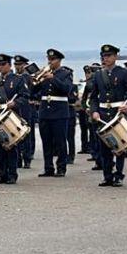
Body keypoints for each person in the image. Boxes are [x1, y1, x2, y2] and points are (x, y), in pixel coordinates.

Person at [87, 44, 127, 187]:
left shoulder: (123, 73)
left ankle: (118, 175)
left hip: (117, 113)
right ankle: (107, 176)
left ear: (115, 57)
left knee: (119, 146)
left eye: (108, 56)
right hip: (102, 115)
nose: (105, 59)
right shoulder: (98, 75)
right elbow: (94, 97)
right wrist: (94, 110)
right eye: (103, 56)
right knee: (104, 147)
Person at [33, 48, 73, 177]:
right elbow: (33, 91)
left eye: (53, 59)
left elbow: (66, 89)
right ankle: (48, 167)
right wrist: (36, 79)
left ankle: (61, 167)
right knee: (46, 141)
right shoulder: (44, 74)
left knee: (60, 141)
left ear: (59, 60)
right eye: (49, 59)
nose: (50, 62)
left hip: (60, 112)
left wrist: (53, 78)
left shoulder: (66, 73)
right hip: (45, 112)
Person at [0, 54, 27, 185]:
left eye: (3, 64)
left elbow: (24, 97)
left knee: (11, 146)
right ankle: (2, 174)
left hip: (11, 116)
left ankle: (12, 174)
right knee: (0, 147)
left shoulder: (17, 80)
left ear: (9, 65)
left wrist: (15, 103)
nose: (0, 67)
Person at [13, 55, 38, 169]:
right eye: (16, 64)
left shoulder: (27, 77)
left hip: (26, 107)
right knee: (16, 133)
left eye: (19, 64)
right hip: (16, 107)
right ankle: (17, 159)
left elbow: (32, 92)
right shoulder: (14, 77)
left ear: (24, 65)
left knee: (26, 133)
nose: (17, 66)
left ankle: (27, 158)